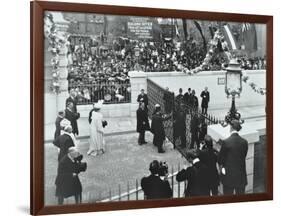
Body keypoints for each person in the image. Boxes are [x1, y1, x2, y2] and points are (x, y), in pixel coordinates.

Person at [218, 120, 248, 195]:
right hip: (241, 177)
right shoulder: (244, 142)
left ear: (231, 127)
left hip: (229, 177)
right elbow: (244, 155)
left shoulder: (226, 142)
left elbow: (220, 160)